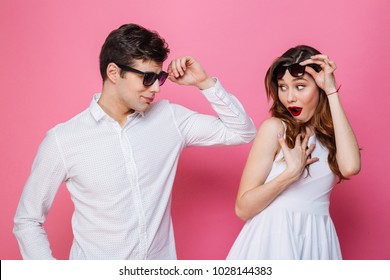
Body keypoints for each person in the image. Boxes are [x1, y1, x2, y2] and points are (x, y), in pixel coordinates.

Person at [13, 23, 256, 260]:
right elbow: (27, 220)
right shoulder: (63, 140)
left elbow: (242, 132)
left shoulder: (169, 119)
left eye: (159, 77)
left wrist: (204, 82)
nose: (157, 89)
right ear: (113, 73)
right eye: (147, 78)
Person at [227, 45, 361, 260]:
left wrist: (331, 91)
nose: (289, 97)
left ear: (318, 88)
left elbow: (351, 167)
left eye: (300, 86)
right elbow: (243, 208)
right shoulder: (275, 129)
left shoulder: (330, 135)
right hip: (273, 239)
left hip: (317, 239)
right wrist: (290, 174)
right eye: (282, 87)